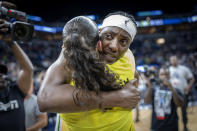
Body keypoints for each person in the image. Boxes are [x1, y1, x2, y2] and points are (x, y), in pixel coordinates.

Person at [38, 11, 139, 131]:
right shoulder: (72, 57)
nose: (114, 46)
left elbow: (133, 74)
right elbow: (44, 101)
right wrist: (115, 98)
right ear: (99, 33)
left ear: (128, 46)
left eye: (123, 41)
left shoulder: (128, 56)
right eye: (109, 36)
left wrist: (132, 94)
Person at [0, 19, 34, 131]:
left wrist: (11, 41)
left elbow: (28, 69)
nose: (1, 75)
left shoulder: (16, 90)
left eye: (2, 72)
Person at [169, 55, 195, 131]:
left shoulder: (184, 69)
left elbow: (192, 79)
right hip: (173, 94)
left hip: (183, 93)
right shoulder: (168, 70)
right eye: (172, 60)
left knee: (184, 112)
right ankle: (174, 127)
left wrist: (188, 87)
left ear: (177, 60)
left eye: (174, 59)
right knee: (174, 112)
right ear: (170, 61)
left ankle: (185, 127)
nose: (173, 61)